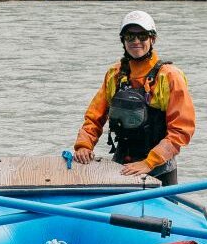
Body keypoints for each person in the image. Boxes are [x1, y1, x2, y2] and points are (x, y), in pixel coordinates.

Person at [72, 10, 195, 185]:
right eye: (130, 36)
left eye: (142, 36)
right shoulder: (115, 75)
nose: (136, 41)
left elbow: (182, 129)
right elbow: (94, 116)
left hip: (159, 168)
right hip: (121, 165)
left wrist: (148, 163)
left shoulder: (169, 76)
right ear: (123, 41)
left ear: (152, 39)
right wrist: (84, 145)